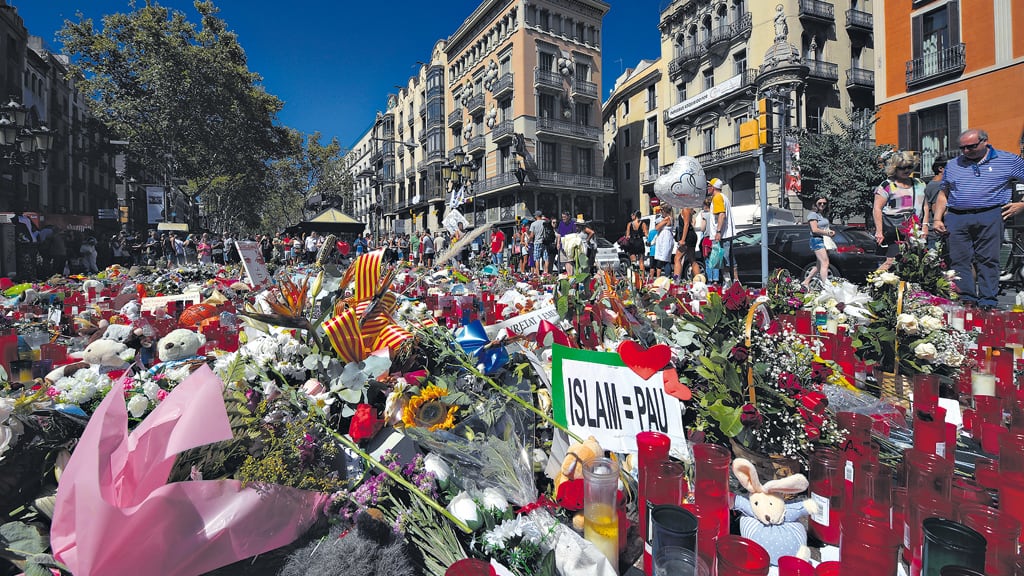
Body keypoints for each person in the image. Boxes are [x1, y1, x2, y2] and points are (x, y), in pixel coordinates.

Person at [932, 129, 1024, 307]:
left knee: (988, 259)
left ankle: (987, 302)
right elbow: (944, 193)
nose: (966, 151)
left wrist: (1021, 205)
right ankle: (967, 300)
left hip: (990, 214)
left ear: (985, 142)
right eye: (962, 148)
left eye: (971, 147)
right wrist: (937, 219)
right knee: (959, 260)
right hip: (957, 216)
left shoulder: (1008, 160)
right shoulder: (953, 164)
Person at [872, 150, 926, 272]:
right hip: (894, 229)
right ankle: (874, 285)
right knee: (891, 261)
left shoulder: (920, 184)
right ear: (895, 168)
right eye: (902, 168)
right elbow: (877, 208)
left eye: (910, 167)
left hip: (916, 231)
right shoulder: (887, 185)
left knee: (915, 263)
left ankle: (909, 290)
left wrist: (926, 226)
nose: (907, 170)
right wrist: (879, 231)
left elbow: (925, 207)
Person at [709, 178, 737, 283]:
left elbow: (721, 214)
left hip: (722, 234)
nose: (708, 188)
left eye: (709, 186)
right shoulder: (724, 197)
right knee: (729, 258)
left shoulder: (717, 198)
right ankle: (735, 281)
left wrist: (718, 231)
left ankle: (728, 282)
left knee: (723, 260)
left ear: (713, 187)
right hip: (726, 233)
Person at [804, 197, 836, 288]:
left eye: (824, 203)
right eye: (820, 203)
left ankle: (806, 281)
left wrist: (830, 232)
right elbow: (814, 229)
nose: (822, 205)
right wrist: (828, 233)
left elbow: (824, 228)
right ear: (815, 204)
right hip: (817, 240)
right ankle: (826, 286)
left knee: (819, 265)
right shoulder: (813, 214)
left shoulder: (823, 215)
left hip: (824, 240)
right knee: (825, 263)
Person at [923, 155, 947, 250]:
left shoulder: (932, 184)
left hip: (935, 233)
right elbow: (936, 209)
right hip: (937, 233)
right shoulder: (937, 186)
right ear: (941, 169)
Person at [674, 206, 698, 281]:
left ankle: (676, 280)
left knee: (677, 258)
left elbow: (686, 224)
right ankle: (699, 280)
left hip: (687, 237)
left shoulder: (685, 209)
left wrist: (683, 240)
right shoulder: (689, 209)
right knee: (692, 260)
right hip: (691, 236)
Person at [623, 210, 648, 278]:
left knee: (633, 262)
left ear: (635, 215)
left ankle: (634, 278)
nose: (631, 217)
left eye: (632, 215)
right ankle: (642, 278)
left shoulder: (629, 224)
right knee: (641, 262)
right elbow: (646, 234)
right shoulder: (643, 223)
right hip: (639, 242)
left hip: (632, 242)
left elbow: (627, 236)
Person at [653, 205, 675, 277]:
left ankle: (666, 276)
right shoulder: (671, 218)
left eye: (662, 211)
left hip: (665, 240)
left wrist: (659, 222)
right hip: (666, 238)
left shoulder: (667, 219)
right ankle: (666, 276)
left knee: (664, 259)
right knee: (666, 259)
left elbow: (657, 227)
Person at [529, 210, 548, 275]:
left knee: (537, 259)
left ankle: (537, 273)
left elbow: (531, 235)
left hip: (537, 242)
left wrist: (528, 241)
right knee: (545, 257)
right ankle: (546, 272)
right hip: (544, 242)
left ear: (536, 216)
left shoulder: (533, 224)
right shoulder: (545, 222)